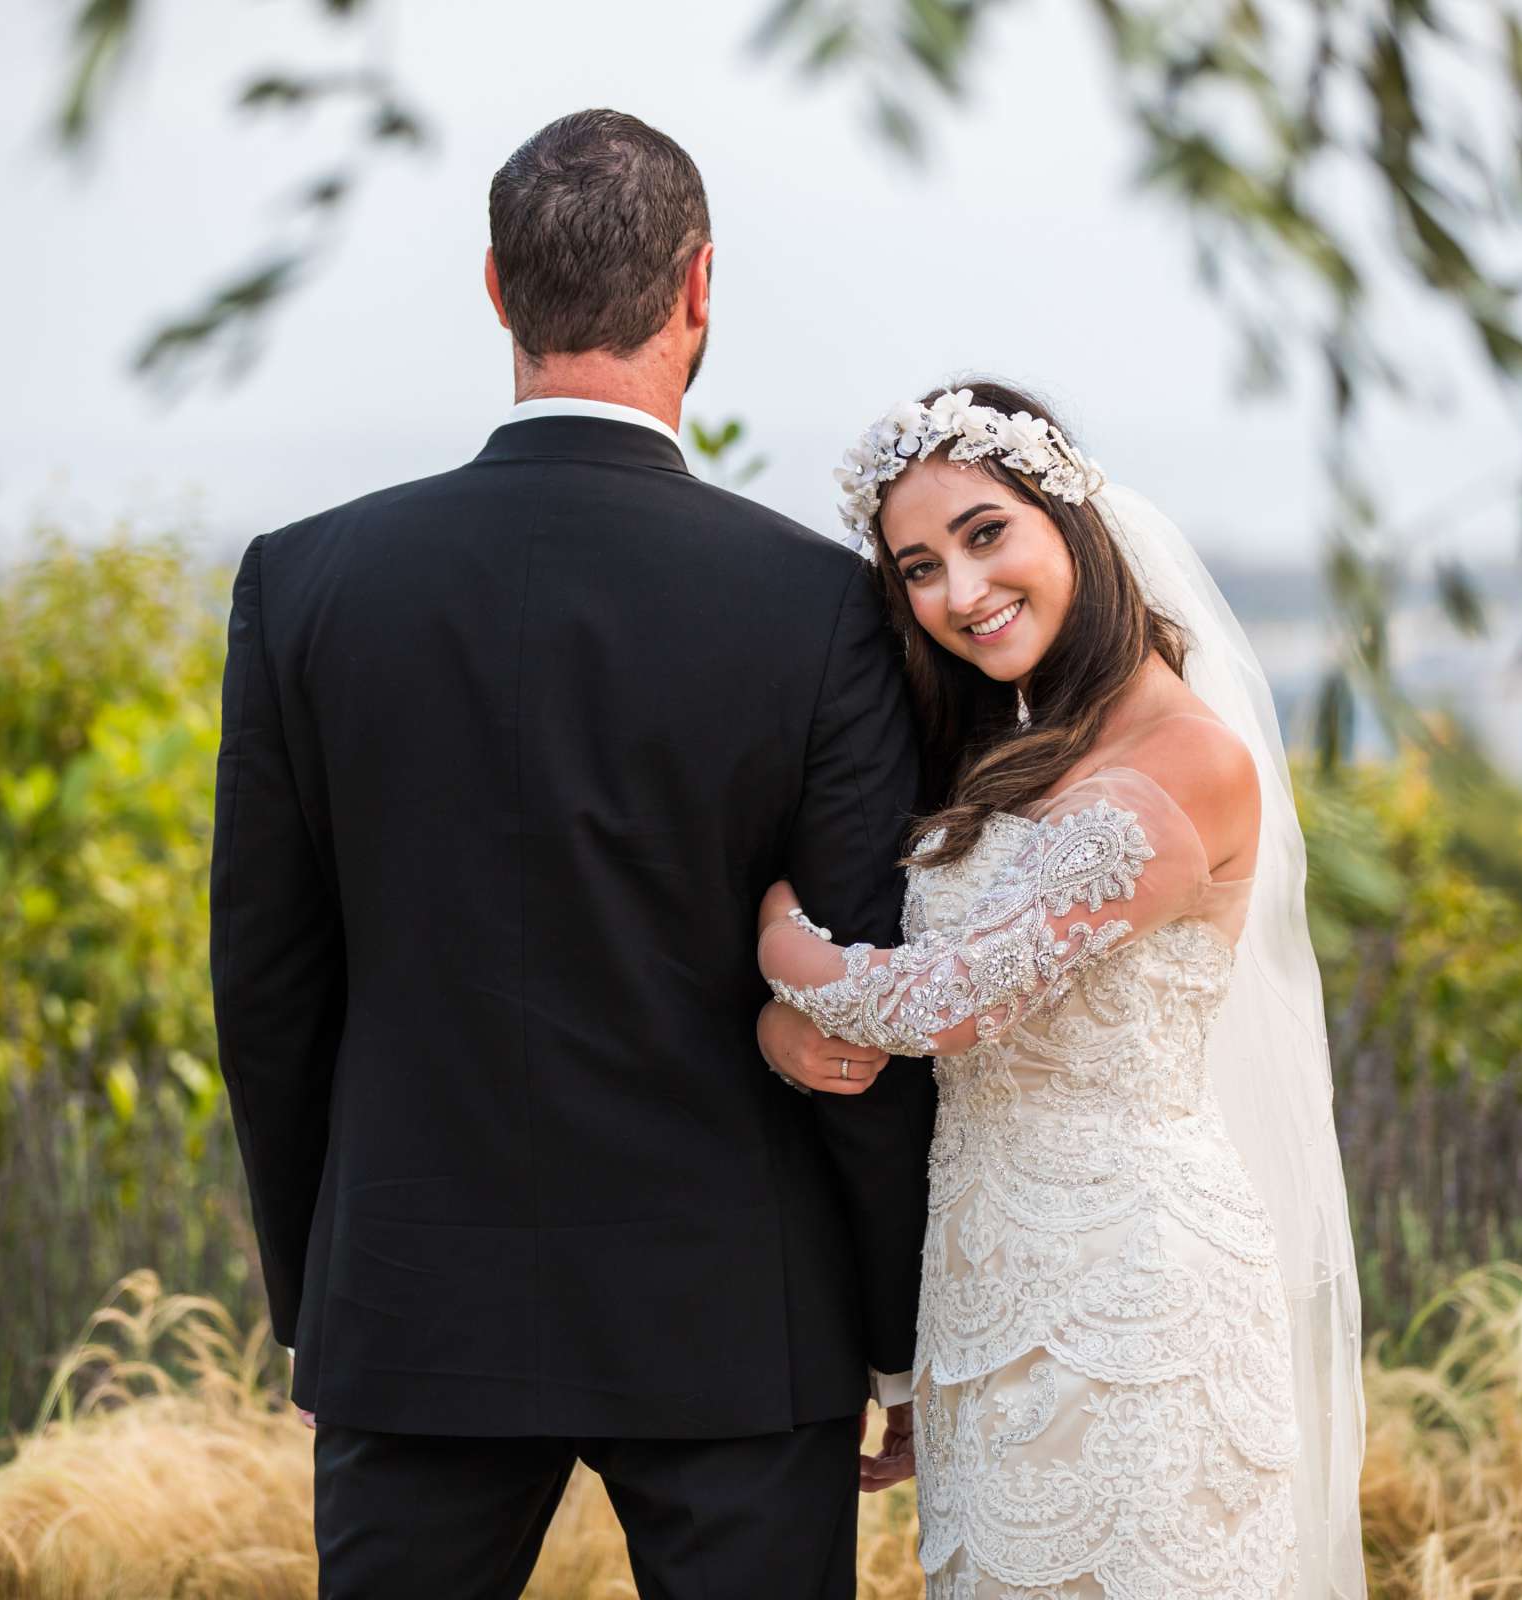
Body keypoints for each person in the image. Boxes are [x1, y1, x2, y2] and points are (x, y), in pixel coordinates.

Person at [207, 109, 932, 1599]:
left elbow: (268, 985)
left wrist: (321, 1294)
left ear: (495, 289)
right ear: (700, 290)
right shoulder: (820, 606)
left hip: (413, 1298)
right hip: (739, 1313)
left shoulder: (308, 583)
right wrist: (897, 1326)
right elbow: (858, 987)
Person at [753, 380, 1368, 1598]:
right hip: (985, 1277)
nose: (961, 594)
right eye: (919, 568)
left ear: (1072, 517)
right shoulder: (1016, 753)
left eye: (987, 534)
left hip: (1135, 1288)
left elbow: (944, 1005)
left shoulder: (1188, 760)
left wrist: (778, 946)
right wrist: (787, 1034)